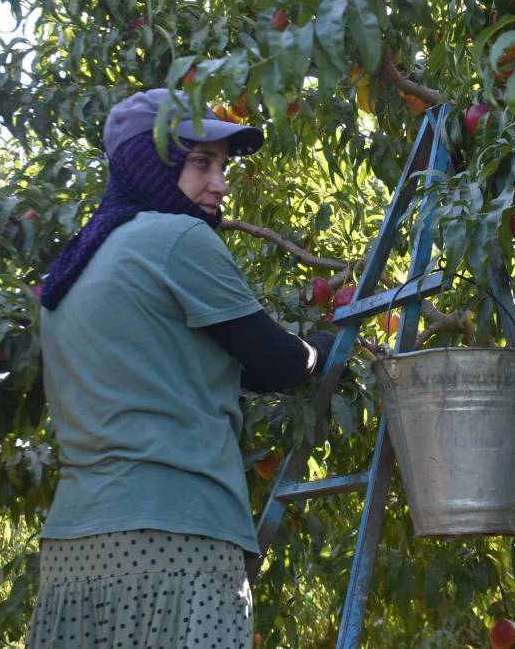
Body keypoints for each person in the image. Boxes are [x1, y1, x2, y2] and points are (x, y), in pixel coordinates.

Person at [27, 88, 335, 648]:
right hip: (178, 539)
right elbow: (277, 363)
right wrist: (318, 346)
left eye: (221, 167)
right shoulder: (177, 238)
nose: (218, 184)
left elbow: (197, 364)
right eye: (199, 164)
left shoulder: (68, 274)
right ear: (149, 163)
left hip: (71, 551)